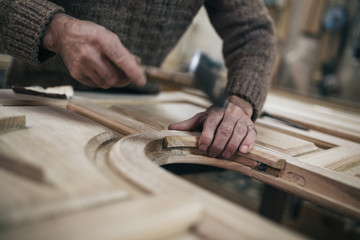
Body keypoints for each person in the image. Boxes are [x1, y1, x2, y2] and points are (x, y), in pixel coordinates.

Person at [0, 0, 276, 160]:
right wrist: (56, 30)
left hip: (141, 114)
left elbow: (253, 32)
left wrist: (240, 101)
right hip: (36, 98)